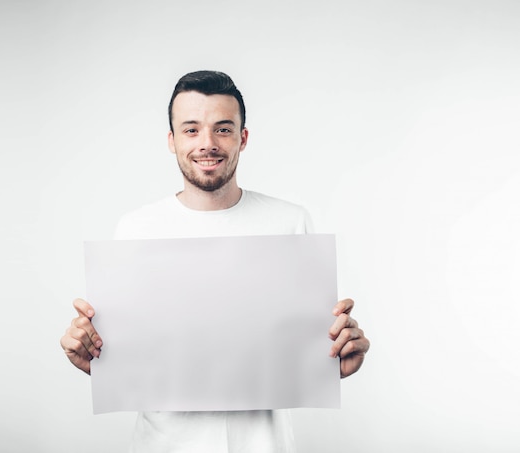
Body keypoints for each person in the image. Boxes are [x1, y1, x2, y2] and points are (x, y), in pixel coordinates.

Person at [60, 70, 370, 452]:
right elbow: (134, 359)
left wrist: (335, 361)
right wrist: (96, 360)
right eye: (191, 130)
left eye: (222, 129)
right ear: (172, 141)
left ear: (243, 138)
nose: (207, 143)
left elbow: (295, 353)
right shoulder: (136, 228)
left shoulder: (290, 222)